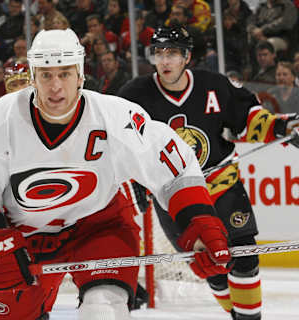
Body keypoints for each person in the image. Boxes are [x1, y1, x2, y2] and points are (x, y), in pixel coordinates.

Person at [0, 28, 232, 320]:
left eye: (65, 73)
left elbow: (175, 169)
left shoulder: (115, 117)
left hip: (98, 227)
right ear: (33, 77)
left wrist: (201, 222)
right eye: (46, 75)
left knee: (104, 310)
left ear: (80, 75)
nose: (56, 86)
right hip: (25, 236)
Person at [118, 26, 299, 320]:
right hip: (174, 198)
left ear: (187, 56)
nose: (165, 61)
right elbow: (119, 145)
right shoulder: (133, 96)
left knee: (245, 259)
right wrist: (133, 180)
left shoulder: (214, 85)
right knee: (213, 269)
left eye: (173, 53)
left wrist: (285, 127)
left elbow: (249, 119)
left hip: (222, 186)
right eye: (159, 53)